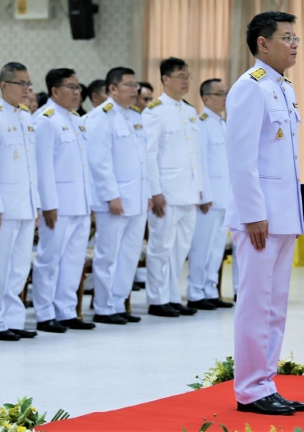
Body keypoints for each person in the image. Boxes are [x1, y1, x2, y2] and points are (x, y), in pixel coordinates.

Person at [226, 11, 304, 416]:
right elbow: (241, 160)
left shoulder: (283, 88)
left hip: (284, 215)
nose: (295, 44)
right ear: (263, 43)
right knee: (255, 304)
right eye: (287, 37)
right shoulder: (249, 88)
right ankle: (250, 390)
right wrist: (253, 214)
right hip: (259, 219)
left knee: (276, 304)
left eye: (296, 38)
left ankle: (266, 382)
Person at [0, 62, 40, 341]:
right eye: (21, 84)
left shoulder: (26, 117)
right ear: (5, 86)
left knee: (19, 267)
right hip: (4, 206)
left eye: (29, 84)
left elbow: (31, 167)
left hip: (24, 204)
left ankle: (12, 318)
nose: (27, 89)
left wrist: (35, 203)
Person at [86, 67, 150, 325]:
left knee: (129, 255)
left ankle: (119, 302)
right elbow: (99, 162)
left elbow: (142, 160)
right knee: (108, 255)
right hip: (115, 200)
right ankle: (104, 306)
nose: (134, 89)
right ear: (112, 89)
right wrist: (111, 195)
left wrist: (146, 192)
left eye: (136, 85)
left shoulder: (133, 116)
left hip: (136, 198)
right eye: (128, 85)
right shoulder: (101, 117)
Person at [32, 68, 95, 332]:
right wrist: (48, 204)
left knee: (73, 260)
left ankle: (66, 310)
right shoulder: (45, 120)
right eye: (70, 87)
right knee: (49, 259)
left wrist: (88, 202)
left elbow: (83, 166)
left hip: (78, 202)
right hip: (57, 205)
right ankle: (45, 313)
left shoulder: (75, 119)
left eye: (78, 87)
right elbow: (42, 166)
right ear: (55, 91)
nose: (77, 92)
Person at [141, 57, 204, 317]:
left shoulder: (189, 111)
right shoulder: (154, 112)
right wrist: (154, 191)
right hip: (165, 192)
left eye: (188, 75)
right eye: (180, 75)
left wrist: (199, 187)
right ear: (165, 79)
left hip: (188, 191)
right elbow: (149, 155)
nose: (186, 80)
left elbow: (194, 155)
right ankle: (156, 299)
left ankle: (172, 296)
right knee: (161, 247)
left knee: (180, 248)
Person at [186, 78, 234, 310]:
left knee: (216, 249)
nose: (225, 98)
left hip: (224, 197)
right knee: (201, 247)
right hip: (209, 198)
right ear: (206, 98)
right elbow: (200, 162)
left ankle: (210, 289)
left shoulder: (224, 124)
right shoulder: (201, 123)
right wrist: (202, 194)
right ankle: (196, 292)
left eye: (226, 93)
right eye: (219, 94)